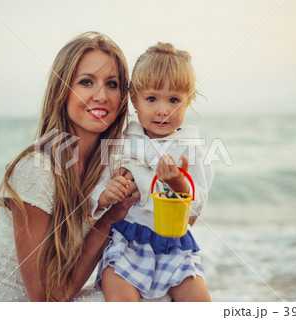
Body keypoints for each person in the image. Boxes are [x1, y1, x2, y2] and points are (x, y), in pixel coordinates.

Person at [0, 31, 140, 302]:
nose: (101, 96)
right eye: (86, 82)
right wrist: (110, 217)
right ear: (62, 90)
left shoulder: (110, 168)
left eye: (112, 84)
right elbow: (46, 298)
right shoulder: (36, 169)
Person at [91, 42, 214, 301]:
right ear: (134, 99)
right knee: (120, 298)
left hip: (173, 245)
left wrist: (178, 183)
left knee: (200, 303)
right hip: (128, 241)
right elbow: (98, 184)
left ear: (188, 100)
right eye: (151, 99)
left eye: (174, 100)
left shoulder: (189, 148)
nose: (162, 110)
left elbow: (197, 202)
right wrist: (105, 195)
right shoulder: (123, 141)